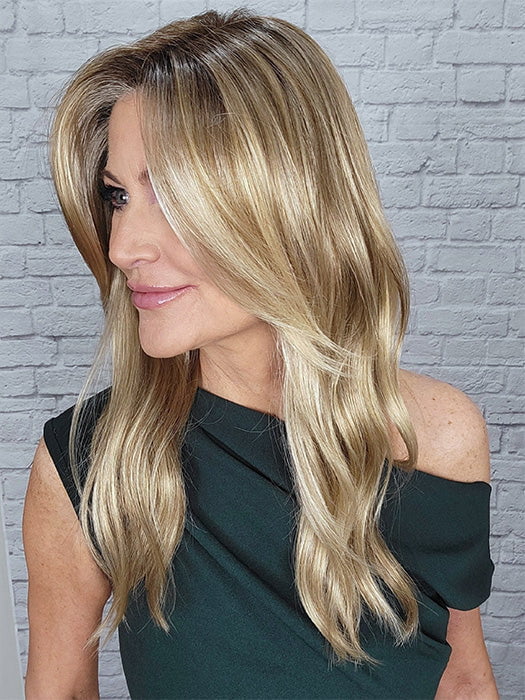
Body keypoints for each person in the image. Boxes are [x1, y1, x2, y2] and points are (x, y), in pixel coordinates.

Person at [22, 7, 498, 699]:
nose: (122, 247)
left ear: (288, 202)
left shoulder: (440, 436)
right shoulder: (94, 460)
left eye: (172, 197)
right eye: (118, 196)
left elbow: (462, 680)